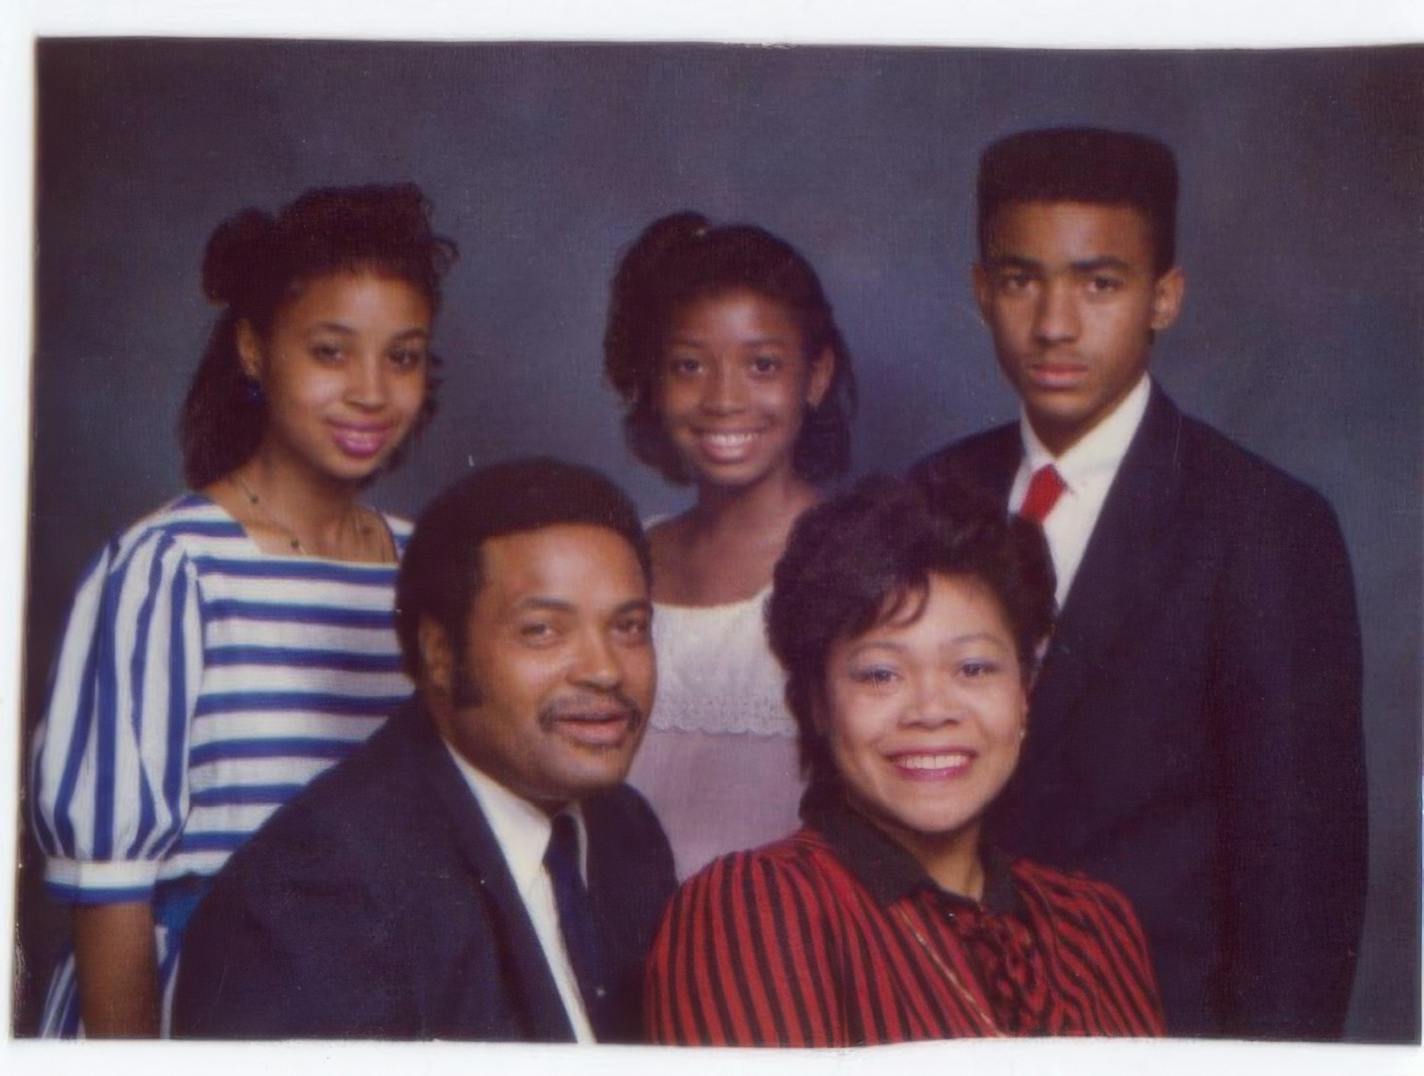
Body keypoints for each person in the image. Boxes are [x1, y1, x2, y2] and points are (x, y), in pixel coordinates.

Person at [912, 127, 1366, 1039]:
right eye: (1020, 279)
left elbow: (1303, 887)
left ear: (1165, 297)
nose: (1054, 324)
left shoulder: (1266, 526)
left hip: (1157, 1029)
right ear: (978, 291)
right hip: (932, 1013)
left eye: (1099, 283)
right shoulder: (928, 494)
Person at [27, 183, 457, 1037]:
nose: (372, 392)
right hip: (199, 1010)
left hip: (370, 1012)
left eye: (401, 357)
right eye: (331, 353)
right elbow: (111, 886)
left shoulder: (427, 571)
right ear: (255, 350)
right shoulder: (169, 569)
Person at [645, 475, 1164, 1044]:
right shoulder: (757, 909)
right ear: (817, 702)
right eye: (880, 674)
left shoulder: (1096, 925)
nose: (932, 711)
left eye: (973, 668)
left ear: (1023, 693)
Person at [173, 459, 676, 1040]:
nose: (605, 671)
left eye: (629, 627)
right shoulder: (311, 899)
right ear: (439, 653)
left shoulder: (627, 831)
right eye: (543, 630)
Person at [603, 211, 856, 878]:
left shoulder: (862, 561)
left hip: (784, 952)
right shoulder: (625, 558)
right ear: (654, 384)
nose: (723, 398)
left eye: (762, 364)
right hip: (617, 947)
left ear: (817, 376)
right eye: (690, 365)